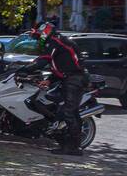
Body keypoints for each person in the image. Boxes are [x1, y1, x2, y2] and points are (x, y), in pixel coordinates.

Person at [22, 20, 88, 155]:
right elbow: (59, 66)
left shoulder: (55, 41)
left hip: (74, 79)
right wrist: (49, 80)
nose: (37, 38)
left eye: (38, 35)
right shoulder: (55, 42)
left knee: (69, 113)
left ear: (44, 32)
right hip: (68, 78)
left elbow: (44, 60)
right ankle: (62, 138)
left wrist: (24, 69)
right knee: (58, 108)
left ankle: (74, 148)